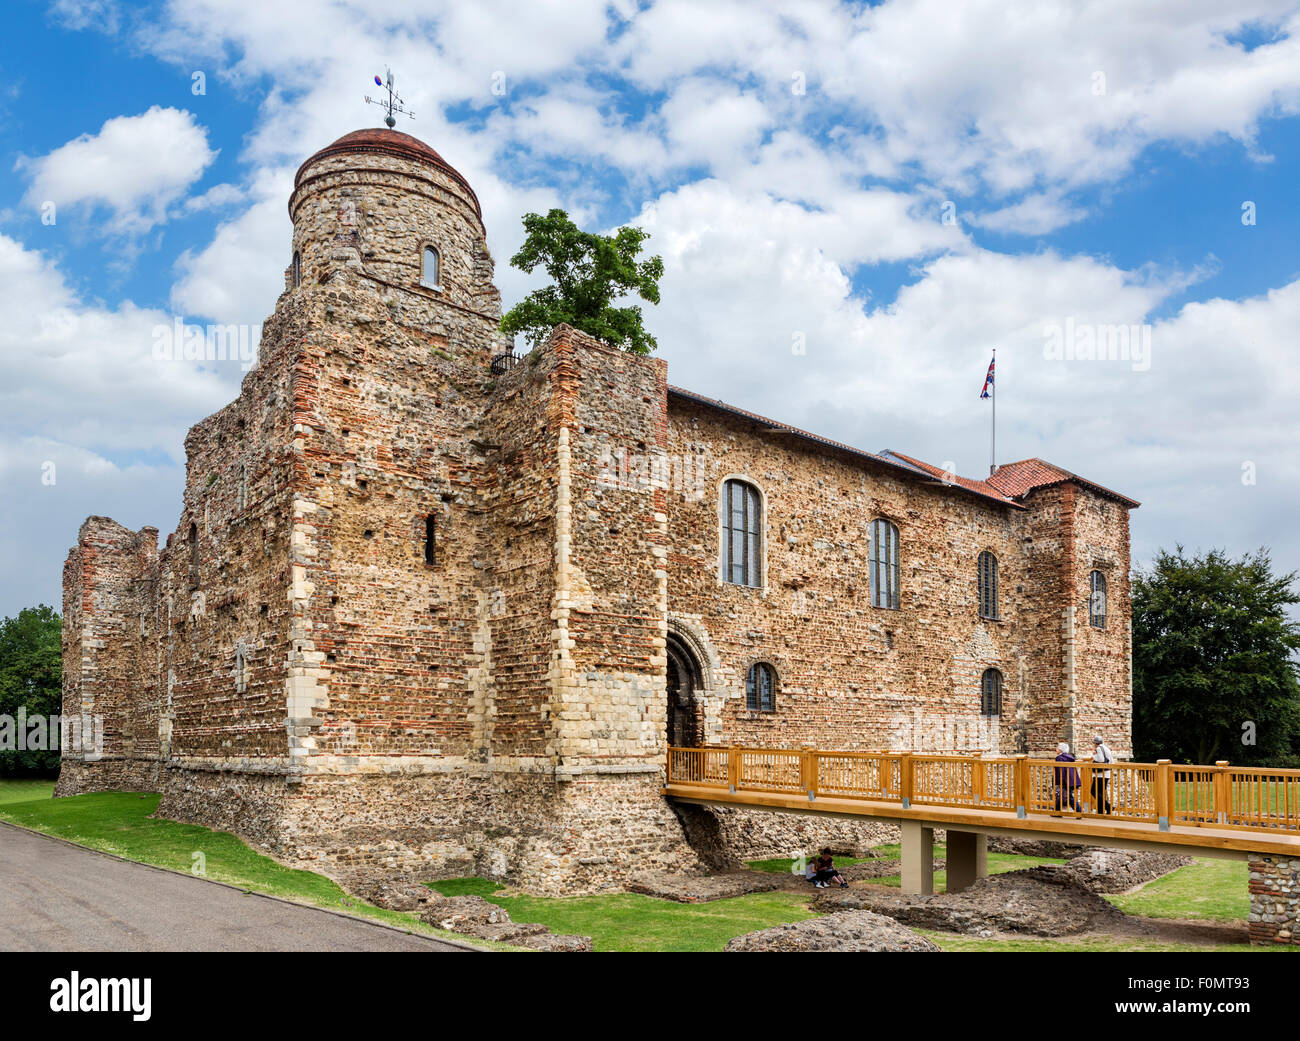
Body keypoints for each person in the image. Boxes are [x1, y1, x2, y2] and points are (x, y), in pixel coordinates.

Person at [1053, 741, 1081, 812]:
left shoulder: (1059, 758)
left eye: (1057, 748)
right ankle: (1057, 811)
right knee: (1061, 795)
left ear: (1060, 750)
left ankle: (1078, 810)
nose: (1056, 749)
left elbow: (1060, 770)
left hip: (1065, 780)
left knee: (1067, 796)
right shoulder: (1069, 758)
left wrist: (1059, 781)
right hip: (1071, 780)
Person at [1091, 734, 1114, 815]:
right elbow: (1112, 762)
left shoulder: (1098, 748)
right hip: (1106, 774)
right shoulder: (1107, 749)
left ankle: (1108, 806)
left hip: (1100, 774)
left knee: (1093, 791)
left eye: (1094, 743)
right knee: (1100, 793)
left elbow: (1100, 760)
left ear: (1096, 743)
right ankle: (1101, 811)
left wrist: (1094, 755)